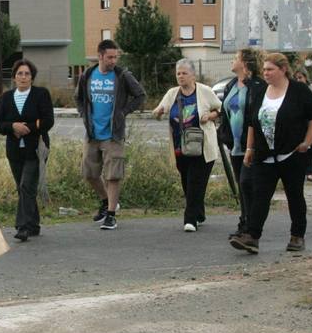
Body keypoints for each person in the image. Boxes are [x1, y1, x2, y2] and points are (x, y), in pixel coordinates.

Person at [230, 52, 312, 254]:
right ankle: (252, 237)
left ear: (283, 70)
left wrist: (307, 142)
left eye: (270, 69)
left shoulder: (299, 91)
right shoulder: (262, 91)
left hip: (292, 154)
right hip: (265, 155)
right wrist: (249, 149)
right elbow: (253, 122)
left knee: (294, 196)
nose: (266, 73)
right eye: (264, 70)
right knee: (259, 195)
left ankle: (297, 236)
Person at [74, 39, 146, 230]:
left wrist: (123, 112)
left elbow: (140, 95)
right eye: (110, 57)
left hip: (113, 135)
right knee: (89, 174)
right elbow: (78, 98)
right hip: (92, 134)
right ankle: (106, 201)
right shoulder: (88, 75)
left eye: (116, 57)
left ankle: (112, 215)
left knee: (113, 175)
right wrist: (84, 114)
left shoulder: (122, 75)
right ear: (100, 56)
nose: (113, 61)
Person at [152, 59, 222, 232]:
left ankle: (190, 220)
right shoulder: (172, 93)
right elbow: (159, 111)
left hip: (202, 147)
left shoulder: (204, 91)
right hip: (180, 147)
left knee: (195, 182)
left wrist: (210, 116)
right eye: (178, 73)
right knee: (187, 182)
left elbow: (221, 109)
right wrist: (158, 112)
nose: (181, 76)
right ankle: (199, 213)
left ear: (193, 75)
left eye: (184, 73)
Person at [0, 59, 54, 242]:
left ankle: (23, 227)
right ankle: (34, 224)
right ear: (14, 77)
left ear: (32, 77)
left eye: (27, 73)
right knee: (23, 189)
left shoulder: (41, 94)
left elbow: (47, 121)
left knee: (26, 185)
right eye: (20, 73)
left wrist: (26, 127)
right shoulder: (5, 98)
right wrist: (12, 126)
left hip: (36, 149)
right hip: (14, 151)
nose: (23, 77)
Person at [219, 50, 262, 244]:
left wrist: (251, 144)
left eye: (235, 58)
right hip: (234, 144)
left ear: (244, 63)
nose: (232, 60)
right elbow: (225, 111)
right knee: (241, 185)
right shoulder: (230, 85)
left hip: (250, 144)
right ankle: (244, 223)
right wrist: (224, 134)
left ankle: (249, 228)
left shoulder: (256, 86)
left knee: (248, 185)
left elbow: (255, 114)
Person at [293, 69, 312, 182]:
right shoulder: (292, 89)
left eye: (300, 77)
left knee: (310, 145)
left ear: (306, 77)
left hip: (310, 121)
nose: (298, 80)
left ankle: (310, 171)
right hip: (297, 121)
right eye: (296, 78)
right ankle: (298, 170)